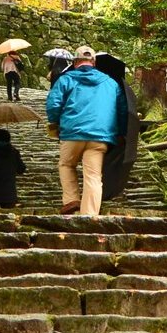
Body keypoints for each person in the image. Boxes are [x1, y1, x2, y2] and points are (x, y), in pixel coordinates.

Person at [46, 45, 121, 216]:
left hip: (72, 132)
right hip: (100, 136)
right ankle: (89, 215)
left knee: (66, 164)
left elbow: (53, 104)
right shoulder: (111, 83)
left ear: (75, 62)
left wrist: (55, 122)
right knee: (94, 176)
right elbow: (121, 109)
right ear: (93, 62)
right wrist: (119, 131)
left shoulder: (65, 79)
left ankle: (72, 200)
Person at [93, 51, 139, 205]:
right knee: (109, 162)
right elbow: (124, 111)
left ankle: (96, 193)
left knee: (94, 164)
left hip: (93, 130)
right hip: (113, 132)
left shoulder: (92, 85)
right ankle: (107, 191)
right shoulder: (120, 87)